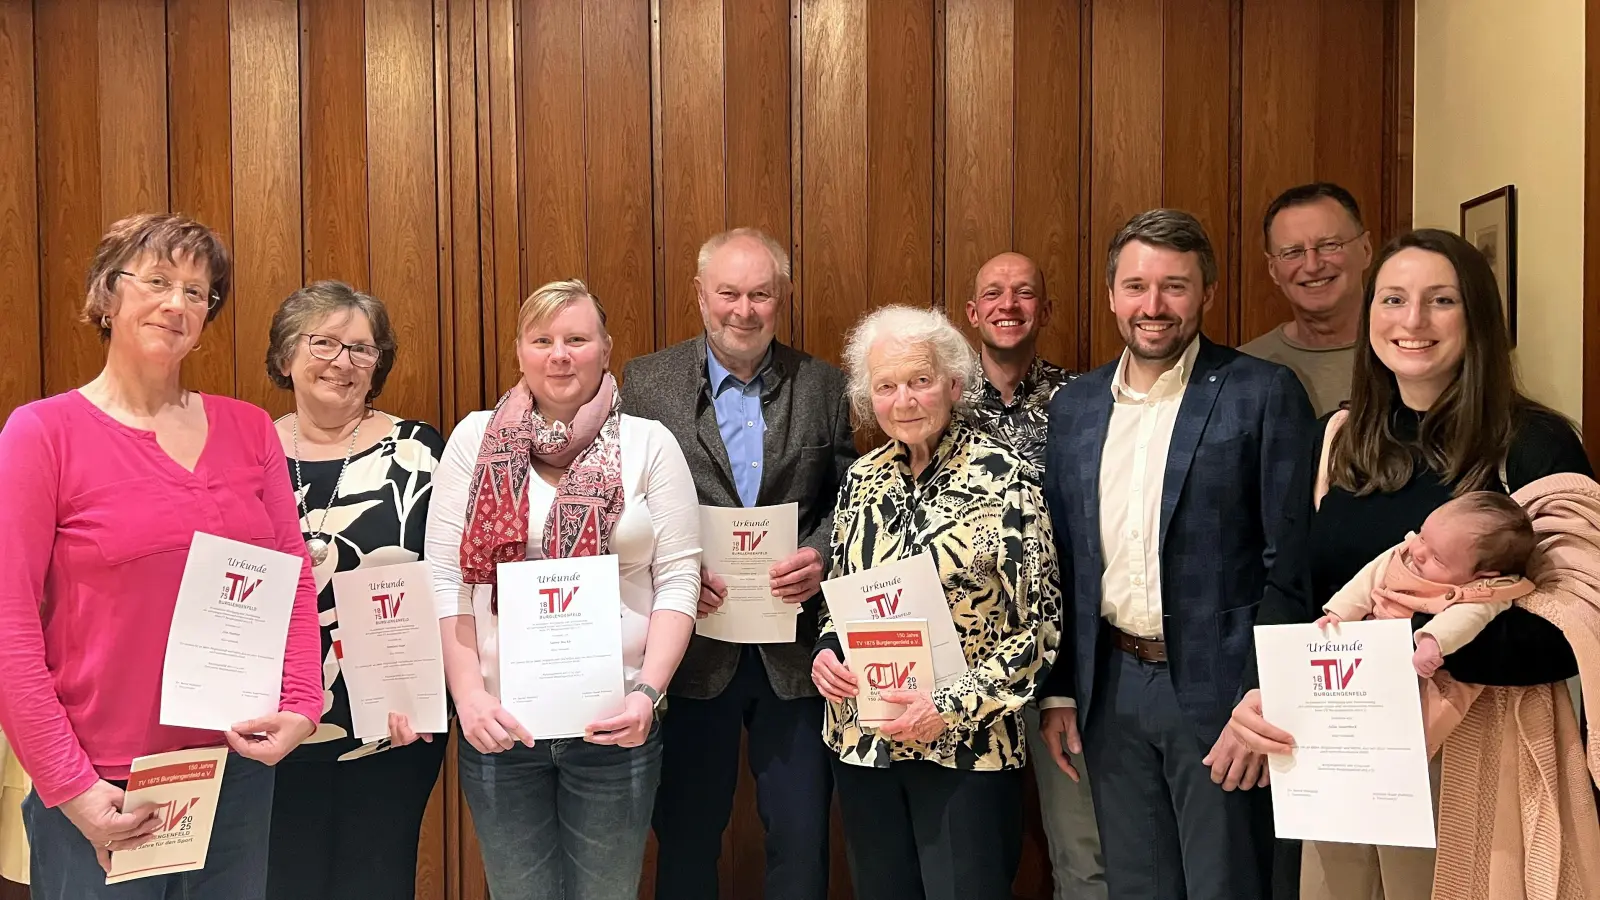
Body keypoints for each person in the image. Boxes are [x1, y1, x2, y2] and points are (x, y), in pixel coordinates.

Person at [1227, 228, 1598, 900]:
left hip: (1473, 751)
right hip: (1342, 751)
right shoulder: (1339, 438)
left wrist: (1411, 649)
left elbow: (1573, 629)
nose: (1413, 320)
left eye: (1441, 300)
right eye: (1393, 299)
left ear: (1477, 317)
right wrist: (1264, 689)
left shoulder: (1533, 444)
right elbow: (1293, 586)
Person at [0, 213, 322, 899]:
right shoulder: (42, 433)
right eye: (157, 282)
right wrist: (70, 786)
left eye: (197, 292)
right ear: (107, 295)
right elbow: (9, 623)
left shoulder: (249, 429)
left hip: (235, 770)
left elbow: (289, 577)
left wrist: (302, 700)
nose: (177, 304)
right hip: (102, 782)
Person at [1037, 209, 1314, 900]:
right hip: (1110, 690)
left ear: (1207, 293)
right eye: (1136, 286)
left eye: (1175, 286)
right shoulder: (1075, 407)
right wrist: (1062, 689)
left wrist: (1262, 694)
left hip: (1224, 695)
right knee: (1136, 886)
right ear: (1111, 295)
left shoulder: (1262, 393)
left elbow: (1290, 563)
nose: (1153, 306)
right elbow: (1065, 560)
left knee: (1228, 885)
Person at [426, 279, 698, 900]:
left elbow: (678, 579)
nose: (559, 355)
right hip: (500, 725)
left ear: (606, 349)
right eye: (542, 340)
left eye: (576, 339)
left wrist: (648, 694)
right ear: (520, 352)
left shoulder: (648, 443)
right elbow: (446, 577)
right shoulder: (474, 440)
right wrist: (469, 697)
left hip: (615, 724)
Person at [621, 228, 855, 900]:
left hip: (796, 652)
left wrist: (821, 552)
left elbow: (849, 495)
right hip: (691, 648)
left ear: (782, 297)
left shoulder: (824, 385)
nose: (743, 311)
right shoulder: (647, 383)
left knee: (801, 840)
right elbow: (623, 500)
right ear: (701, 295)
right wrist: (672, 573)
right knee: (686, 837)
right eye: (729, 293)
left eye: (760, 295)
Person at [811, 304, 1060, 900]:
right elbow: (837, 599)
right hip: (866, 743)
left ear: (952, 383)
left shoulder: (1006, 480)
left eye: (919, 381)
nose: (904, 401)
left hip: (967, 748)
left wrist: (946, 705)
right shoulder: (861, 480)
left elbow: (1041, 632)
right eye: (886, 386)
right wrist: (826, 650)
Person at [261, 282, 449, 900]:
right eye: (323, 343)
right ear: (286, 354)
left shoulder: (421, 452)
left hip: (390, 731)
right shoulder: (247, 451)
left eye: (362, 349)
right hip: (273, 727)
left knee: (378, 882)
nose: (342, 362)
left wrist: (426, 693)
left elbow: (451, 578)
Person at [959, 251, 1102, 900]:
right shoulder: (941, 399)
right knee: (974, 853)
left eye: (1023, 293)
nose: (1008, 305)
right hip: (968, 658)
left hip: (1061, 655)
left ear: (1045, 310)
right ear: (973, 312)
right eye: (993, 293)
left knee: (1081, 845)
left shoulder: (1085, 402)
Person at [1240, 182, 1373, 416]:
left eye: (1329, 245)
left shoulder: (1414, 355)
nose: (1312, 266)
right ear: (1273, 269)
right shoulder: (1243, 370)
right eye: (1292, 252)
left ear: (1366, 250)